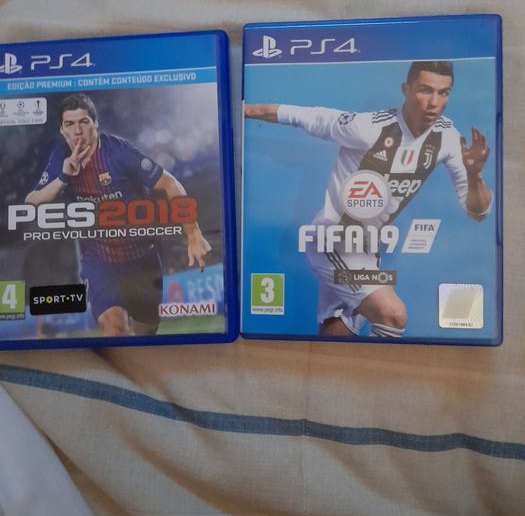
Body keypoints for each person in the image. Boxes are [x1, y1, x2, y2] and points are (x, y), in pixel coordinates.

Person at [244, 61, 492, 340]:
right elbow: (304, 116)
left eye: (443, 93)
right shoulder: (369, 128)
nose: (434, 102)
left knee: (337, 331)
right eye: (425, 90)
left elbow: (477, 212)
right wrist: (245, 110)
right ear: (406, 89)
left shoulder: (448, 138)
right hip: (332, 241)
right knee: (393, 314)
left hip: (366, 248)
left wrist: (475, 175)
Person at [26, 93, 211, 338]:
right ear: (62, 130)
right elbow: (32, 202)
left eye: (83, 122)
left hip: (142, 258)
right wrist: (63, 177)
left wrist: (193, 233)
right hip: (99, 262)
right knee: (115, 328)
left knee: (145, 334)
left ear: (95, 124)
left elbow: (170, 183)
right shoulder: (61, 156)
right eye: (69, 124)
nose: (77, 131)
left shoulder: (118, 151)